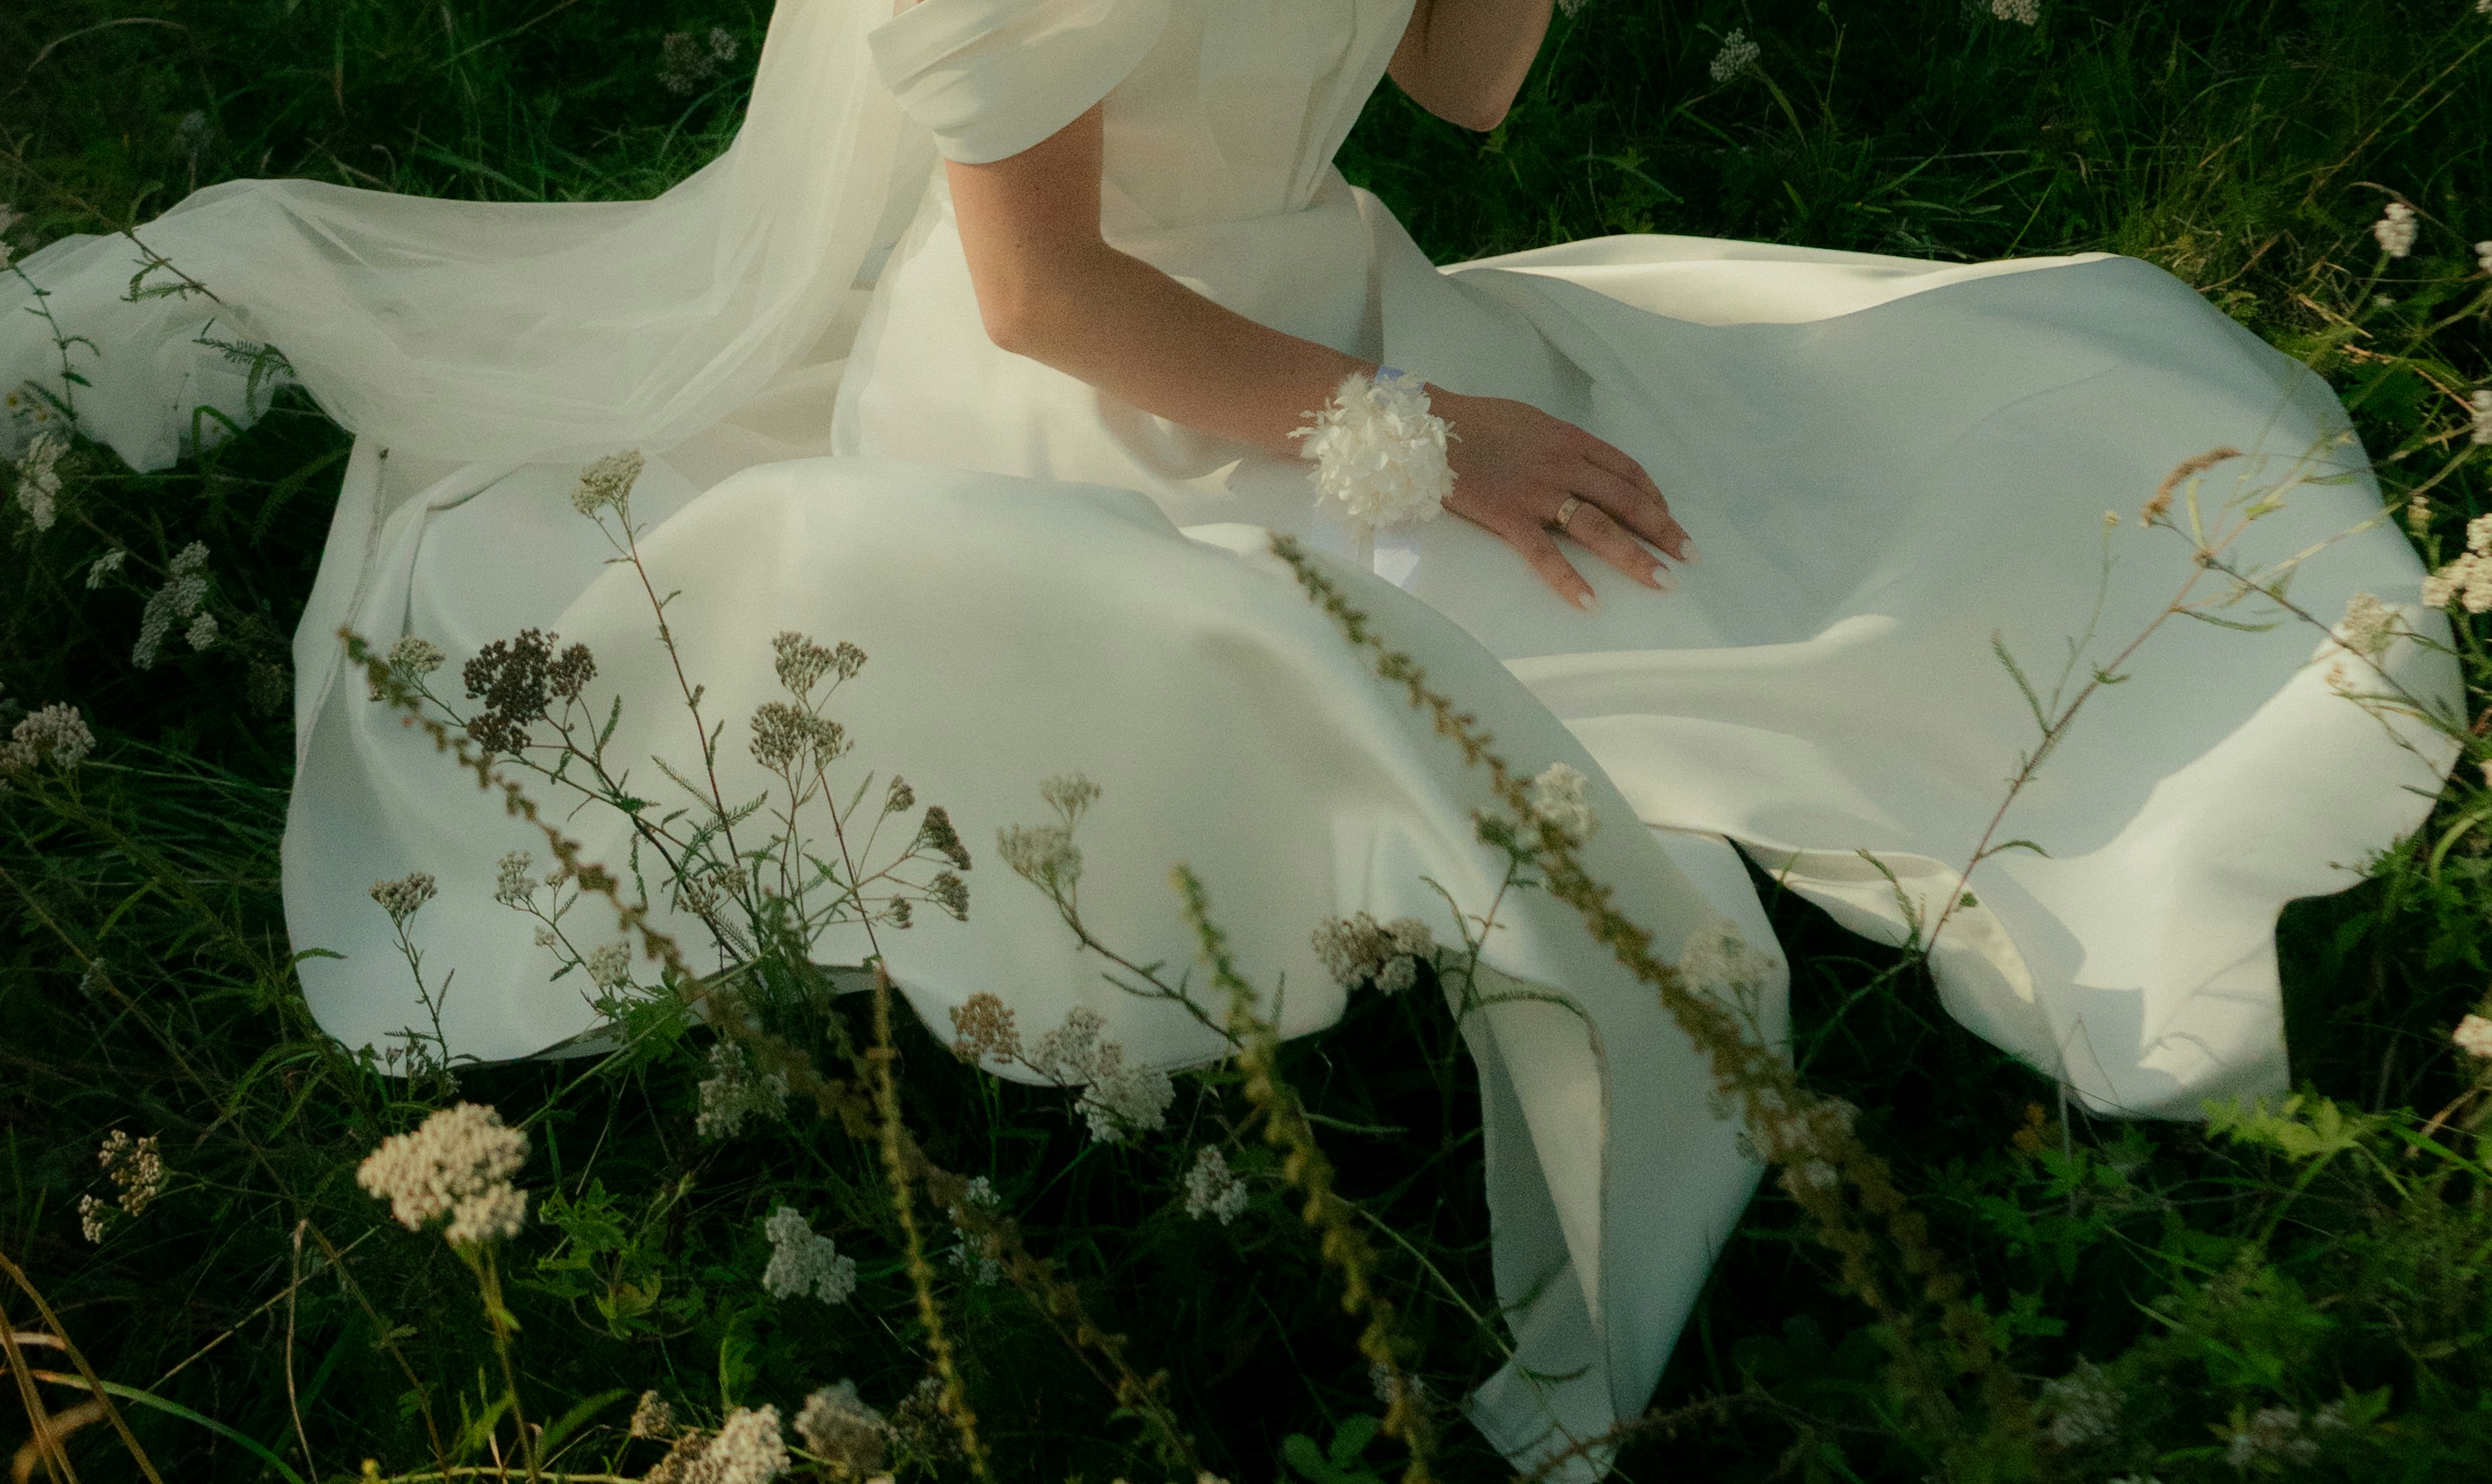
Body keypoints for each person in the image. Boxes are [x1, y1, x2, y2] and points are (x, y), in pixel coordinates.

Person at [0, 0, 2457, 1470]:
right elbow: (1042, 283)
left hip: (1330, 301)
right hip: (1083, 405)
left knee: (1814, 534)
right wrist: (1419, 438)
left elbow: (1459, 89)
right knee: (1497, 702)